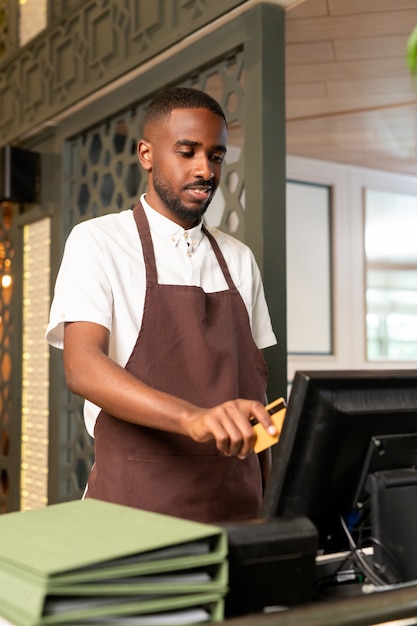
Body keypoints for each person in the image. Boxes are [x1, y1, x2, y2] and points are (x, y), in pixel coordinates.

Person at [46, 86, 277, 523]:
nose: (204, 169)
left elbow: (254, 394)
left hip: (238, 509)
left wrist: (273, 502)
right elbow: (82, 365)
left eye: (216, 156)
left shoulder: (238, 259)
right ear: (147, 154)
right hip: (133, 512)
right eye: (187, 152)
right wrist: (194, 418)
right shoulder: (98, 241)